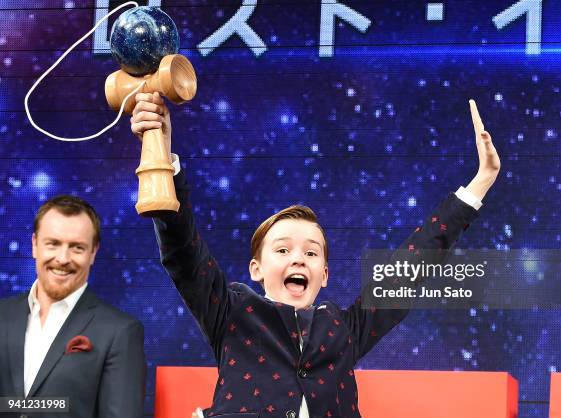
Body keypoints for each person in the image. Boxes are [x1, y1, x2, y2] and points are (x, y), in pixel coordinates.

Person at [131, 93, 500, 417]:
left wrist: (481, 181)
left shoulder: (345, 329)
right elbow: (183, 251)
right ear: (256, 269)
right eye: (283, 249)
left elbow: (409, 269)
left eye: (311, 252)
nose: (298, 259)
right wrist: (162, 154)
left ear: (324, 274)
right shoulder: (232, 314)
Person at [0, 196, 146, 418]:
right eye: (53, 244)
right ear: (34, 245)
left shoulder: (120, 332)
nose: (62, 258)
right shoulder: (3, 315)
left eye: (77, 247)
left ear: (93, 253)